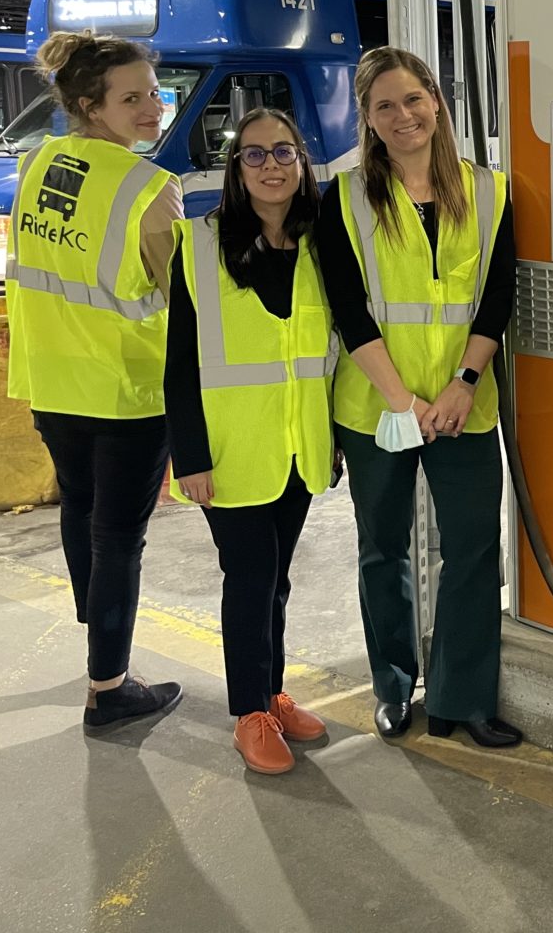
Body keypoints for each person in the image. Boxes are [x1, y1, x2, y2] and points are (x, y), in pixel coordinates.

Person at [314, 46, 522, 748]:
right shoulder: (344, 198)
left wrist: (464, 383)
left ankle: (464, 697)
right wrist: (402, 399)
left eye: (413, 99)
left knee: (472, 549)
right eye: (385, 106)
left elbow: (497, 298)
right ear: (368, 121)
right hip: (377, 407)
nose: (403, 116)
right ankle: (394, 687)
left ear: (436, 100)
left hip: (465, 405)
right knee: (384, 549)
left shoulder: (489, 192)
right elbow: (348, 309)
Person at [6, 32, 184, 732]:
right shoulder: (147, 188)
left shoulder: (36, 162)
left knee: (80, 510)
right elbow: (180, 294)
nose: (152, 109)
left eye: (155, 94)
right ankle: (109, 688)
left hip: (51, 379)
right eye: (132, 98)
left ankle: (98, 636)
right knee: (118, 538)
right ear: (89, 105)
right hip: (126, 389)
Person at [164, 109, 333, 774]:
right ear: (236, 168)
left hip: (297, 446)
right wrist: (189, 456)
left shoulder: (320, 242)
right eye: (254, 154)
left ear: (302, 162)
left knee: (277, 578)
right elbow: (179, 362)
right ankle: (249, 714)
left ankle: (272, 693)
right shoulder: (201, 245)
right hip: (230, 452)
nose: (270, 166)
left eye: (283, 152)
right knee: (251, 576)